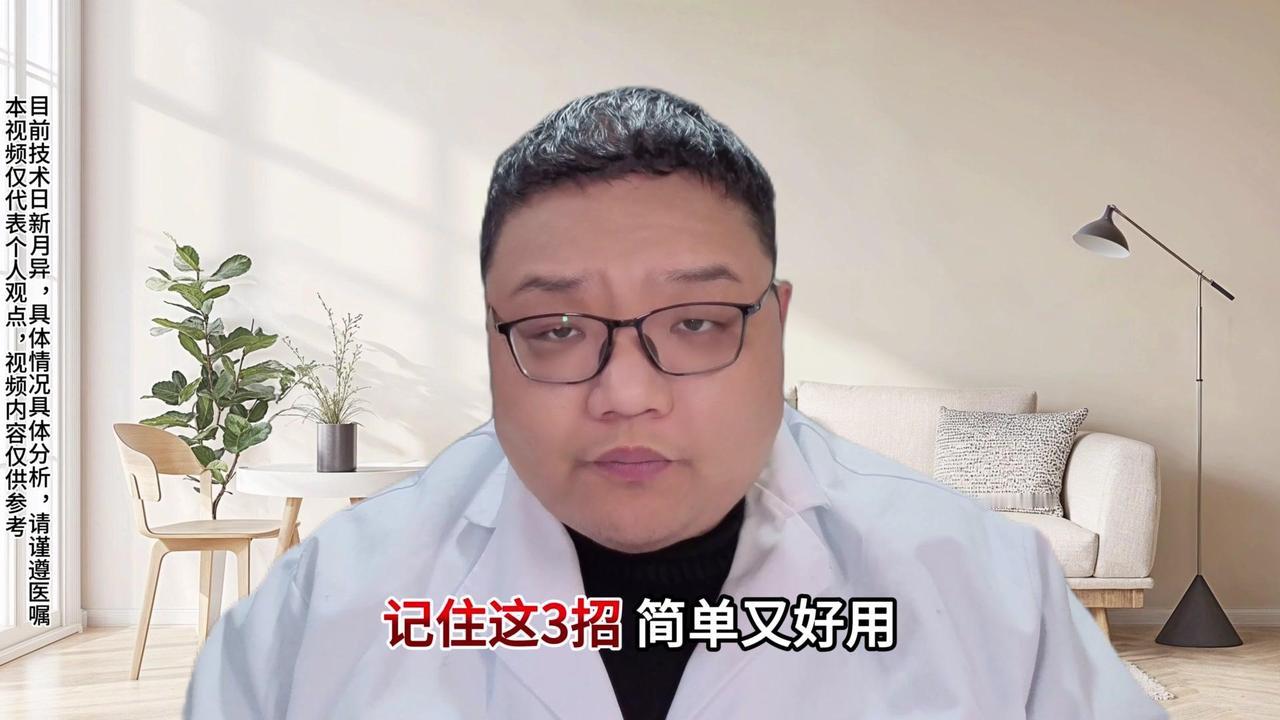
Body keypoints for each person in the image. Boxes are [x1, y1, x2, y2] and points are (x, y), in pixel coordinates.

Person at [184, 86, 1167, 719]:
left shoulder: (987, 592)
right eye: (556, 329)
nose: (626, 395)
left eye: (696, 322)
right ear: (492, 339)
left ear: (776, 328)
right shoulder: (315, 621)